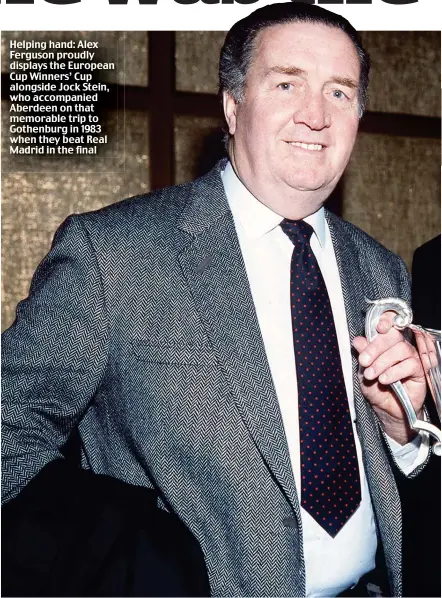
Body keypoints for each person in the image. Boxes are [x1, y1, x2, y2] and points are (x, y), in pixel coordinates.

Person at [2, 3, 436, 596]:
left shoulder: (381, 267)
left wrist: (404, 433)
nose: (315, 115)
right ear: (233, 106)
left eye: (339, 93)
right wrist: (110, 556)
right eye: (287, 83)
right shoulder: (112, 253)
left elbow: (403, 485)